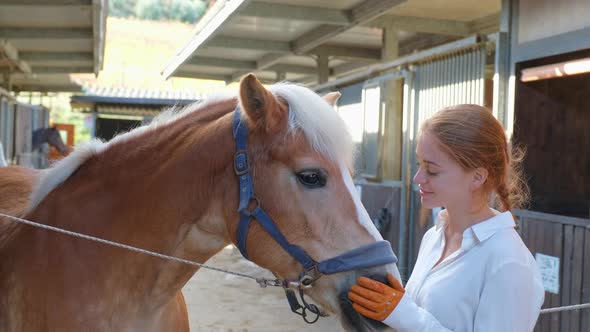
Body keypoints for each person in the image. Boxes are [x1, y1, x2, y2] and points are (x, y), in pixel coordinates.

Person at [348, 104, 544, 331]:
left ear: (478, 177)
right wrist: (398, 310)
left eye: (432, 170)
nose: (418, 178)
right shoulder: (435, 236)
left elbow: (414, 320)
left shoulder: (508, 261)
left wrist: (404, 314)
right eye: (419, 164)